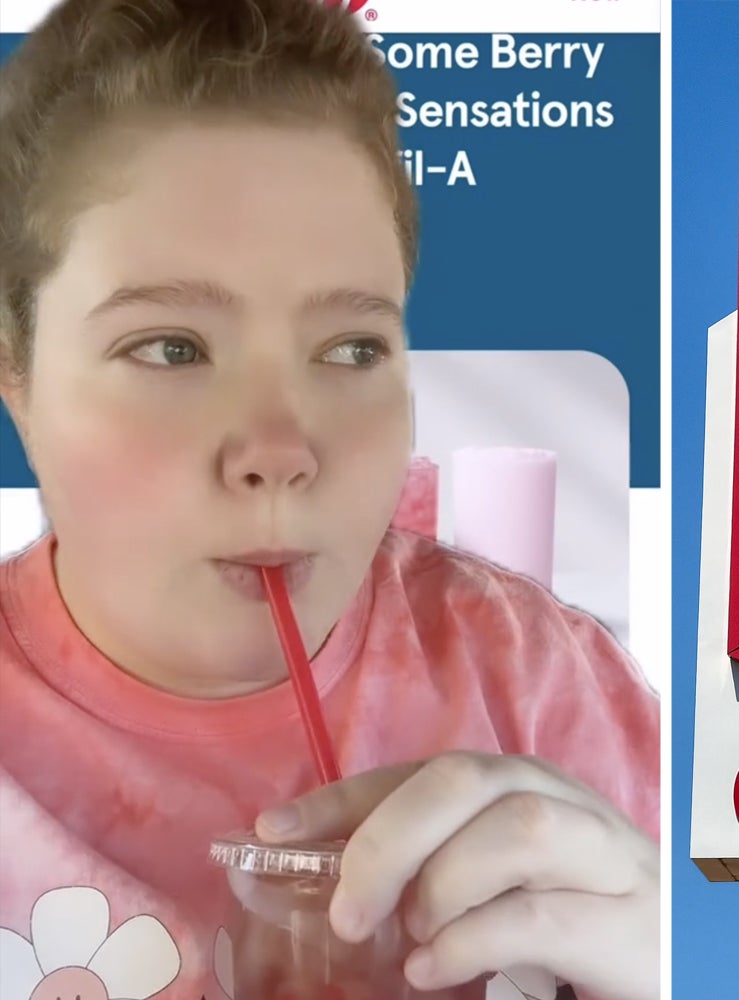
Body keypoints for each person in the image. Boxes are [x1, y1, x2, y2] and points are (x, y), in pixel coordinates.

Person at [0, 3, 660, 999]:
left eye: (351, 348)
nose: (279, 449)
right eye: (171, 347)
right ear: (16, 375)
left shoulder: (542, 690)